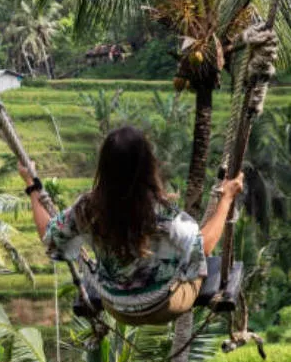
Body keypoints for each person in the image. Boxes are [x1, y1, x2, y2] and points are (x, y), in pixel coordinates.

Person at [20, 126, 244, 325]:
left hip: (117, 307)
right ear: (148, 166)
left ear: (103, 167)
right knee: (199, 258)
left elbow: (49, 236)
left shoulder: (87, 208)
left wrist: (32, 187)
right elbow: (204, 248)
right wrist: (225, 201)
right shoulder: (165, 214)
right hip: (166, 305)